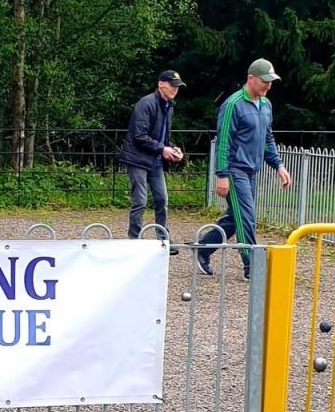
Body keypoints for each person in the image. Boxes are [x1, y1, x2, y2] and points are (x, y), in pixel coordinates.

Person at [197, 58, 292, 279]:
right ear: (251, 79)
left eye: (271, 81)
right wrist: (222, 175)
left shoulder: (266, 105)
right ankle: (252, 266)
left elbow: (268, 139)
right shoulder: (233, 104)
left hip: (251, 171)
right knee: (247, 217)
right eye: (264, 81)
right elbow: (223, 142)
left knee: (236, 217)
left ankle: (203, 249)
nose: (268, 86)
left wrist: (278, 165)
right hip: (234, 170)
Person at [119, 70, 186, 253]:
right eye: (172, 85)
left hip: (154, 159)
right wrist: (162, 149)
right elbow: (139, 136)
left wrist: (172, 148)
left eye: (177, 86)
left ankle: (162, 239)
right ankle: (134, 240)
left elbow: (162, 138)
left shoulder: (169, 107)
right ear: (161, 84)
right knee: (140, 200)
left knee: (162, 199)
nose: (175, 89)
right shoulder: (146, 103)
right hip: (137, 159)